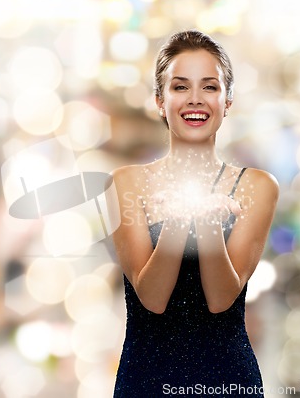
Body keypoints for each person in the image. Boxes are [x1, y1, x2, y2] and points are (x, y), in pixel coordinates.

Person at [110, 30, 279, 397]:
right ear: (159, 100)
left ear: (228, 100)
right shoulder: (126, 183)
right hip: (146, 379)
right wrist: (179, 220)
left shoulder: (257, 186)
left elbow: (221, 299)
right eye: (180, 87)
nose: (196, 100)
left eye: (210, 87)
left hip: (227, 379)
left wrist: (206, 226)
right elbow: (152, 298)